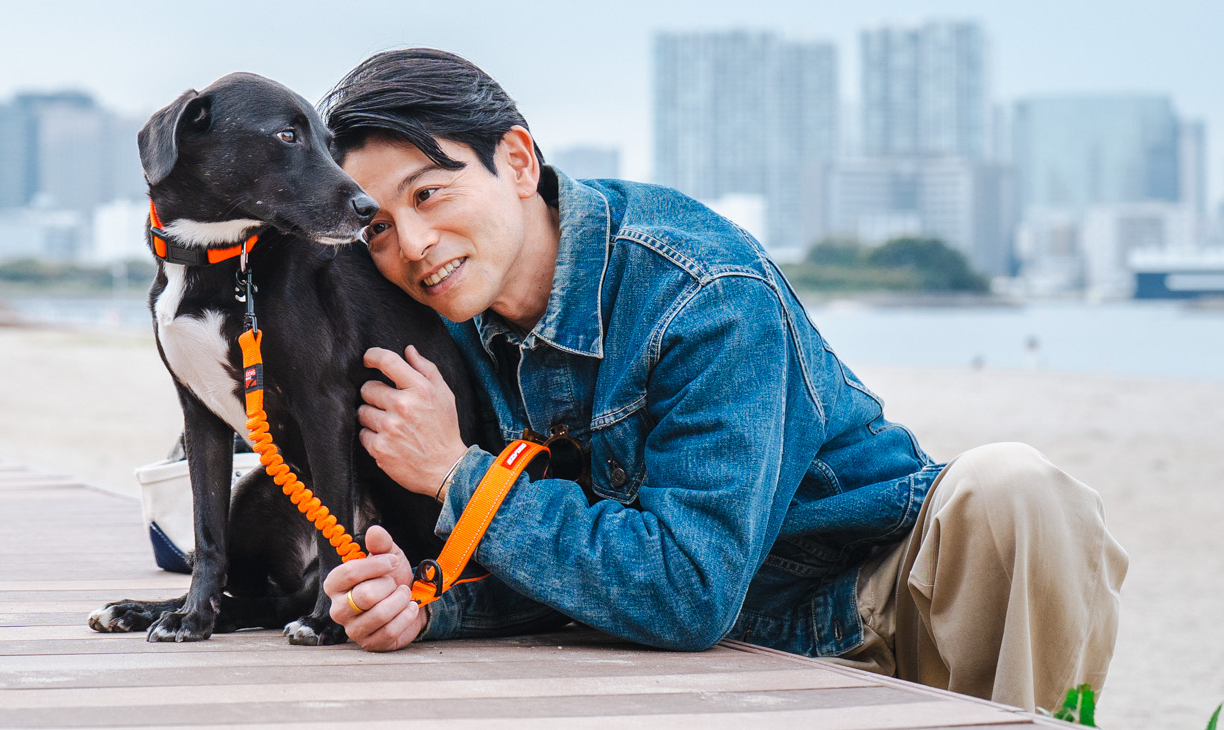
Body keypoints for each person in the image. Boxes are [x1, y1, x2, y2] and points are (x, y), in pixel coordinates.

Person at [318, 48, 1125, 717]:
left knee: (1015, 488)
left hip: (868, 606)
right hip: (703, 649)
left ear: (518, 162)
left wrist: (459, 475)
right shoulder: (444, 327)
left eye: (430, 193)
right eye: (380, 226)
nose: (414, 243)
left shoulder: (701, 291)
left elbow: (685, 588)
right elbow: (587, 566)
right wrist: (428, 599)